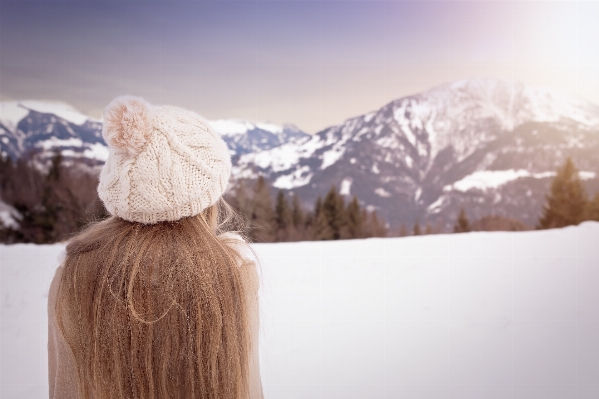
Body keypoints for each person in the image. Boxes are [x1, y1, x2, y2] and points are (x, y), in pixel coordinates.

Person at [47, 96, 263, 399]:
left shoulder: (75, 273)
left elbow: (63, 388)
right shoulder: (233, 272)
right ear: (207, 200)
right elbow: (247, 388)